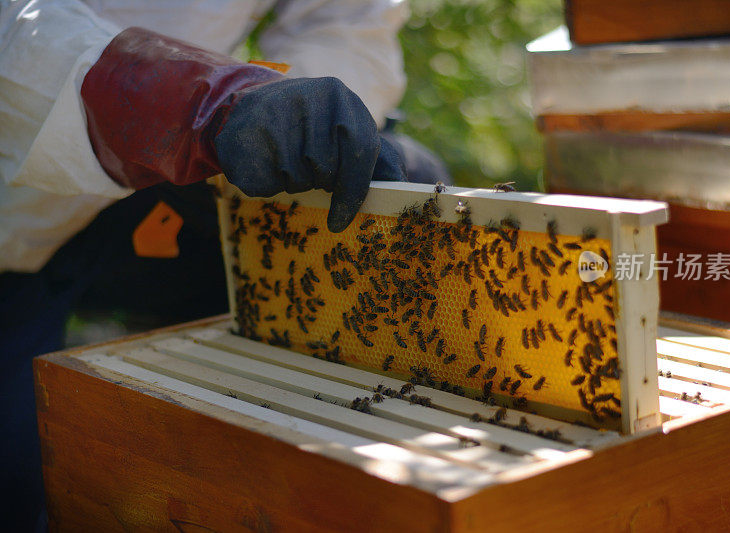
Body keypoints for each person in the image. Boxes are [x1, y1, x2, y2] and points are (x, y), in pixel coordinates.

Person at [0, 1, 451, 529]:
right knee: (21, 476)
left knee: (413, 172)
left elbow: (344, 21)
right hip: (43, 173)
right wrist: (209, 99)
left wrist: (303, 124)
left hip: (143, 174)